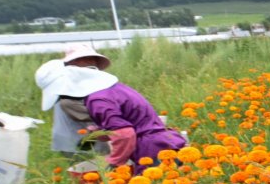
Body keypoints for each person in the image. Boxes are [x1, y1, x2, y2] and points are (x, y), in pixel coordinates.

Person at [35, 46, 187, 173]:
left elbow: (125, 134)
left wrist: (114, 164)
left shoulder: (97, 99)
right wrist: (102, 132)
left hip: (152, 150)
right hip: (164, 143)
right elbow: (125, 123)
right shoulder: (112, 89)